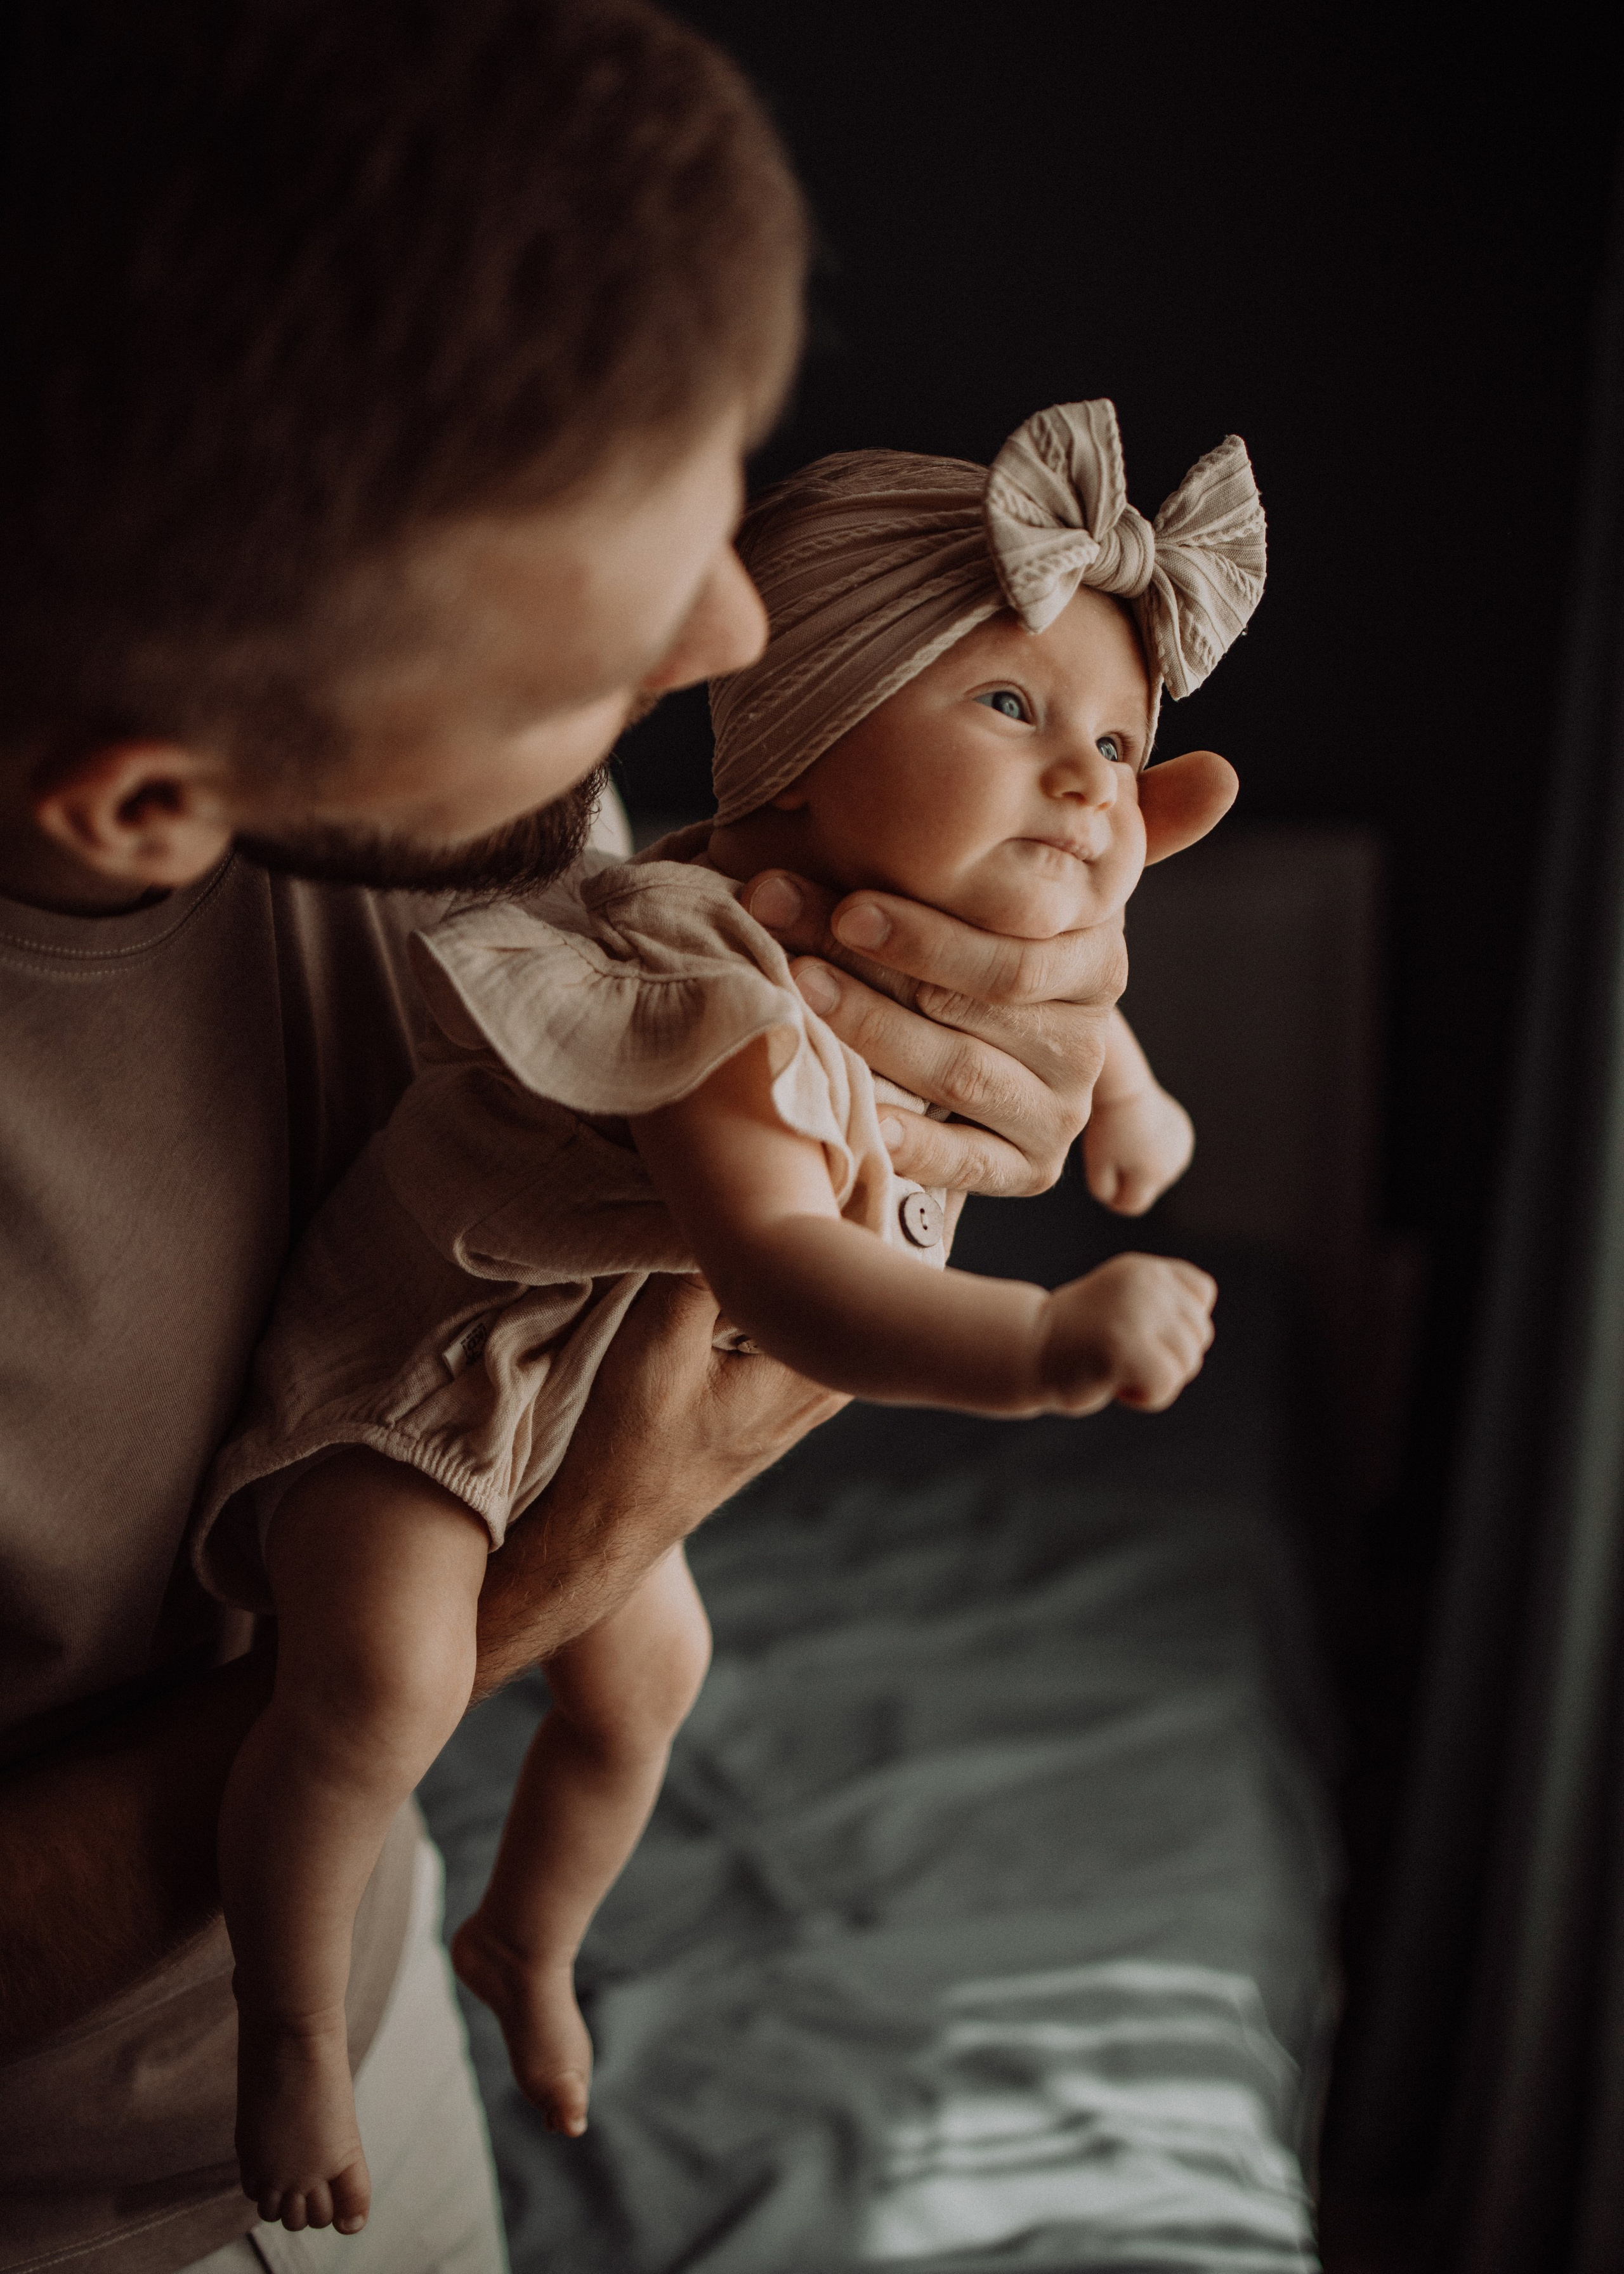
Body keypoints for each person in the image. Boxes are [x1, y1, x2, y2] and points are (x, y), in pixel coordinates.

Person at [0, 0, 1144, 2271]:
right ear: (146, 803)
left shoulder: (452, 748)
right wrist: (572, 1554)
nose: (734, 634)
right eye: (589, 653)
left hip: (380, 2062)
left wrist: (989, 1073)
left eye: (715, 512)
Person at [193, 398, 1258, 2231]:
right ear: (803, 737)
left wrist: (1132, 1106)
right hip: (436, 1356)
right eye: (1010, 710)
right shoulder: (699, 965)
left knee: (651, 1686)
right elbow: (782, 1277)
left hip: (590, 1373)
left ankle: (527, 1934)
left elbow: (1087, 1010)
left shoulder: (919, 900)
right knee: (384, 1676)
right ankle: (287, 2027)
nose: (1087, 785)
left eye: (1113, 741)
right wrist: (1039, 1345)